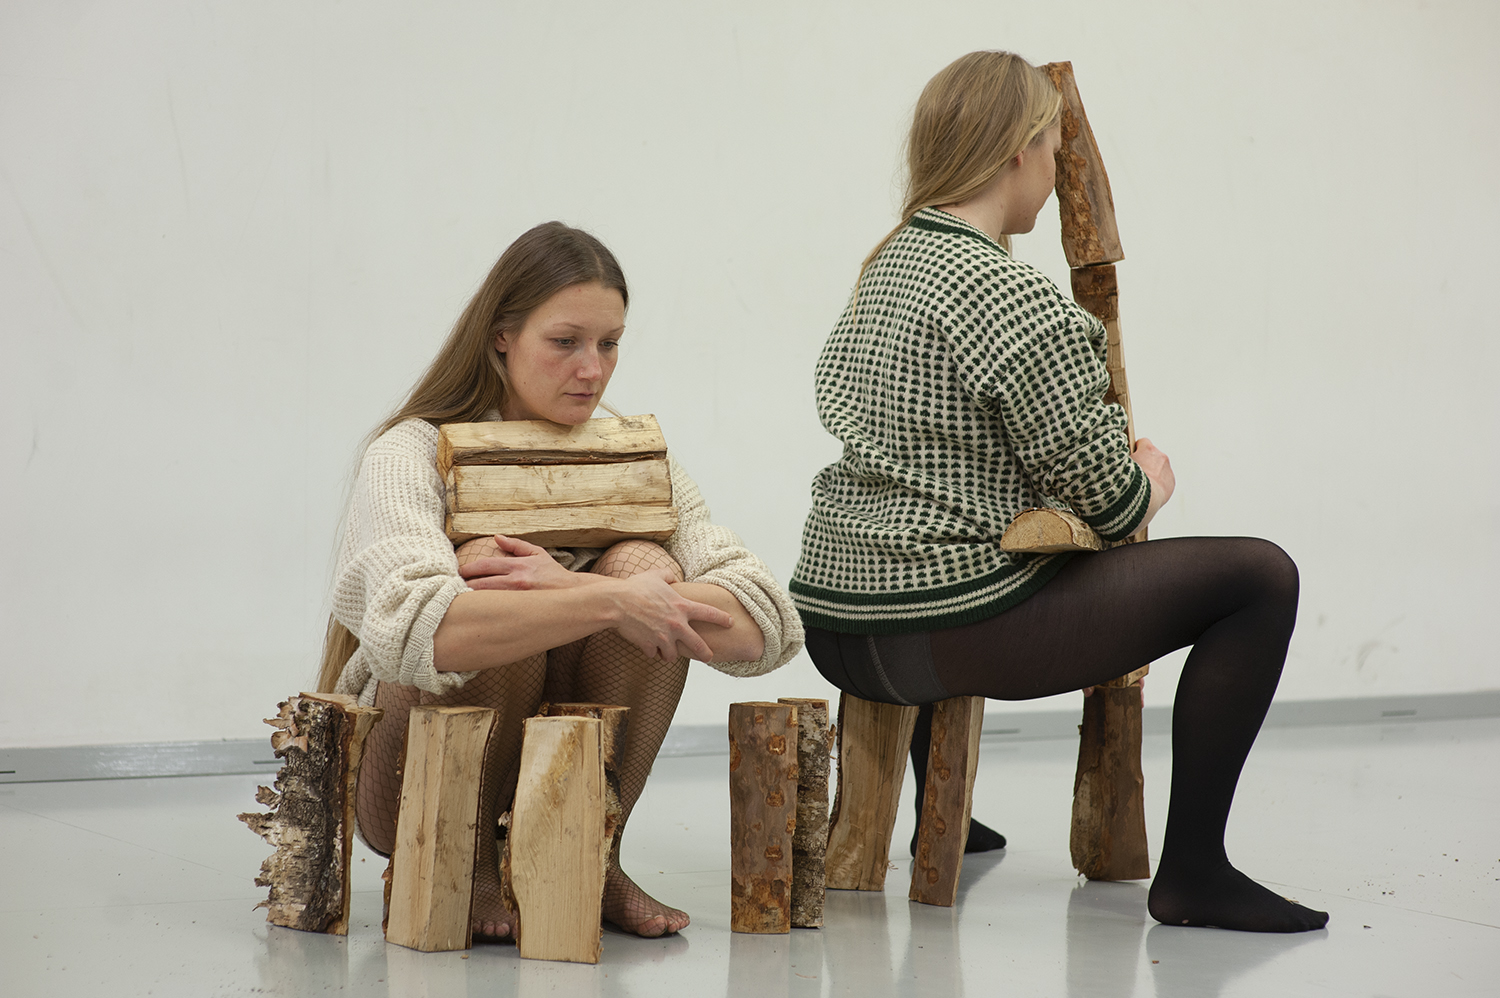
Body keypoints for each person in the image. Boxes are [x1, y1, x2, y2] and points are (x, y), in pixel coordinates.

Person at [789, 51, 1328, 933]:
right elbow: (1111, 507)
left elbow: (930, 459)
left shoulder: (884, 266)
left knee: (939, 526)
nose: (1052, 169)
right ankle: (1195, 869)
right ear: (1016, 152)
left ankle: (947, 816)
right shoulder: (1011, 298)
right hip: (935, 637)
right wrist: (1151, 475)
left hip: (840, 627)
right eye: (1050, 146)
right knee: (1260, 577)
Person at [317, 221, 803, 940]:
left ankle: (593, 855)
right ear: (501, 337)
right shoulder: (411, 452)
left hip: (563, 780)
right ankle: (475, 869)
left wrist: (612, 590)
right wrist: (596, 599)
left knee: (645, 566)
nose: (593, 370)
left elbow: (763, 624)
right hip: (415, 788)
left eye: (609, 344)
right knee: (513, 585)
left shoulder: (632, 462)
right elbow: (421, 629)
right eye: (566, 342)